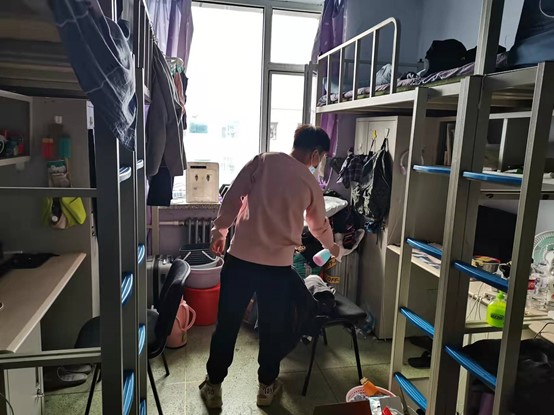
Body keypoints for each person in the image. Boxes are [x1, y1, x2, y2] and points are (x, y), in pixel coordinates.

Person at [199, 125, 342, 409]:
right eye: (321, 157)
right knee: (272, 328)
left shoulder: (263, 161)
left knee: (227, 325)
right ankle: (266, 387)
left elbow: (233, 196)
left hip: (240, 261)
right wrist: (333, 248)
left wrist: (220, 231)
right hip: (277, 269)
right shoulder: (310, 182)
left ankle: (213, 387)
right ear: (315, 154)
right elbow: (318, 225)